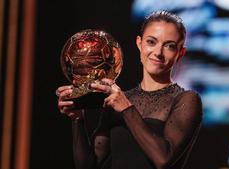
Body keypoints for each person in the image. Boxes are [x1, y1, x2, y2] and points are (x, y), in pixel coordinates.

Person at [56, 10, 203, 169]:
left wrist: (126, 109)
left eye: (169, 46)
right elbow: (88, 166)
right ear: (139, 44)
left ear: (181, 53)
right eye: (151, 42)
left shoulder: (186, 100)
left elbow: (163, 160)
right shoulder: (119, 100)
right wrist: (77, 119)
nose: (158, 53)